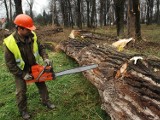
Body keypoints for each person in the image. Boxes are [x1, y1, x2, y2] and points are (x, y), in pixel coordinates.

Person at [3, 14, 55, 120]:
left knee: (42, 84)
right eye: (27, 29)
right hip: (20, 70)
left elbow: (41, 48)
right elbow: (10, 64)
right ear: (19, 28)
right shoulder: (10, 42)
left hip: (33, 65)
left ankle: (46, 101)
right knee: (21, 91)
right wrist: (22, 74)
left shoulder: (32, 36)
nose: (30, 31)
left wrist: (45, 57)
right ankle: (23, 111)